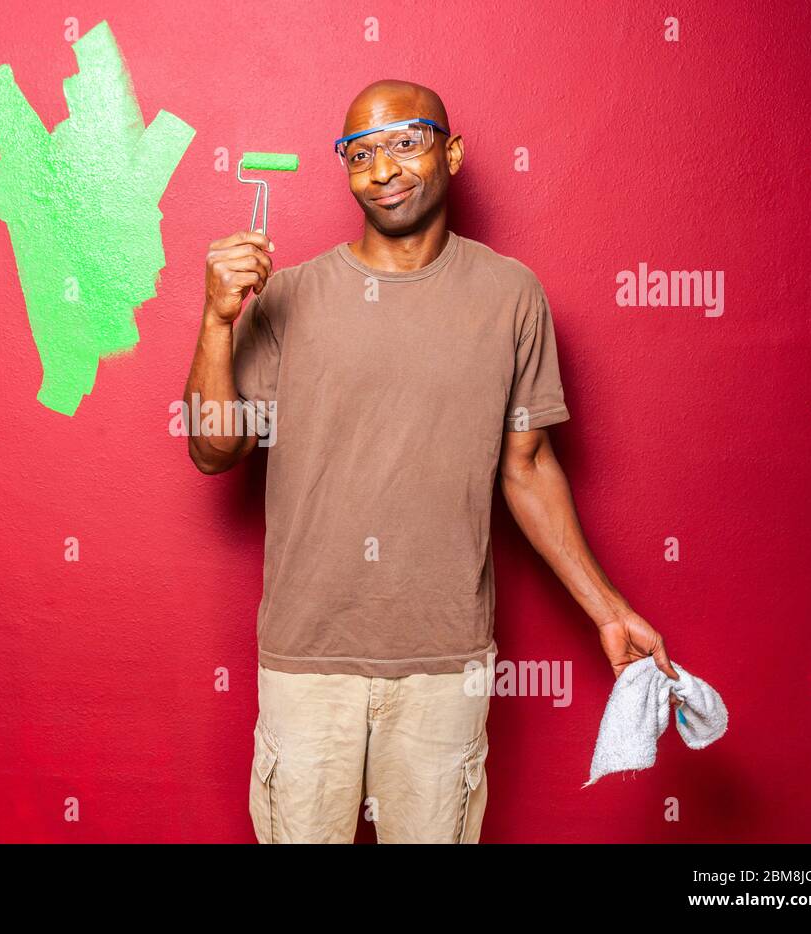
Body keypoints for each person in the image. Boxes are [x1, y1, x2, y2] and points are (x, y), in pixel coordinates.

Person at [182, 79, 678, 844]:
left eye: (405, 141)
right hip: (308, 663)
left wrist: (609, 611)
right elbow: (214, 450)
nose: (383, 169)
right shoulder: (289, 296)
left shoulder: (512, 294)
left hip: (447, 666)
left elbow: (529, 467)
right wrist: (217, 319)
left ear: (451, 151)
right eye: (361, 153)